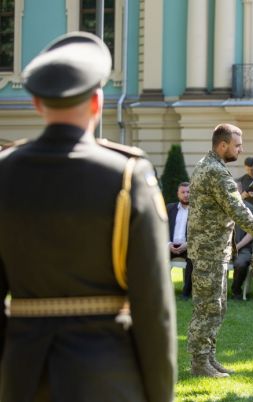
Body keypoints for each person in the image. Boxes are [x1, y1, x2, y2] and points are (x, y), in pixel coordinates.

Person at [0, 32, 176, 402]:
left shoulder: (5, 173)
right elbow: (153, 306)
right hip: (108, 376)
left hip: (22, 377)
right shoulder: (127, 176)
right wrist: (160, 394)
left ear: (36, 103)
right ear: (97, 102)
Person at [187, 123, 253, 378]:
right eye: (237, 145)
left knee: (215, 306)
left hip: (211, 249)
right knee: (208, 308)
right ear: (223, 145)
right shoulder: (216, 172)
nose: (240, 150)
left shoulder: (207, 165)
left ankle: (208, 359)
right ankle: (199, 363)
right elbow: (239, 210)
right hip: (209, 250)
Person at [230, 180, 253, 300]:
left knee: (241, 264)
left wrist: (236, 247)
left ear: (241, 192)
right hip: (222, 248)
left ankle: (236, 290)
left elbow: (251, 233)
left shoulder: (249, 208)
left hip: (242, 248)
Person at [167, 182, 193, 300]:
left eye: (188, 192)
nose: (186, 195)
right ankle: (162, 291)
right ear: (178, 194)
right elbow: (161, 228)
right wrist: (168, 244)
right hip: (170, 246)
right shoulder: (169, 208)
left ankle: (186, 293)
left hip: (188, 246)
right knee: (156, 258)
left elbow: (200, 232)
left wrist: (187, 244)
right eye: (183, 192)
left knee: (193, 258)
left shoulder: (198, 211)